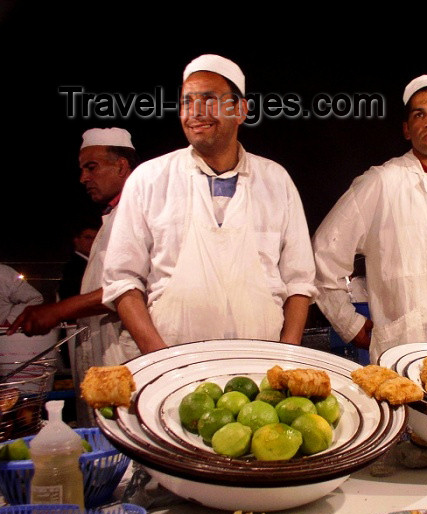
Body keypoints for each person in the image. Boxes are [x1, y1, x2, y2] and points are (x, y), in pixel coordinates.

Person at [101, 54, 315, 358]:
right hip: (171, 367)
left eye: (209, 99)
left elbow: (299, 282)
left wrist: (286, 355)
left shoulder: (276, 181)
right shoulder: (149, 179)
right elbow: (122, 279)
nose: (195, 112)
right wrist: (159, 357)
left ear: (241, 110)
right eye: (187, 102)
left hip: (261, 367)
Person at [313, 74, 427, 363]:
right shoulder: (381, 183)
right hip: (409, 355)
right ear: (406, 129)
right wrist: (349, 324)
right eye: (419, 114)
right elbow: (323, 254)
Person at [9, 127, 137, 425]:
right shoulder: (111, 219)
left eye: (91, 167)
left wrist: (56, 311)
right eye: (81, 169)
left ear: (120, 165)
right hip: (103, 360)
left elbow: (129, 288)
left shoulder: (142, 215)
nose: (83, 178)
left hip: (125, 361)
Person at [57, 223, 99, 301]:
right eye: (88, 238)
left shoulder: (91, 263)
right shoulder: (73, 267)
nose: (92, 242)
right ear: (76, 240)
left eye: (95, 238)